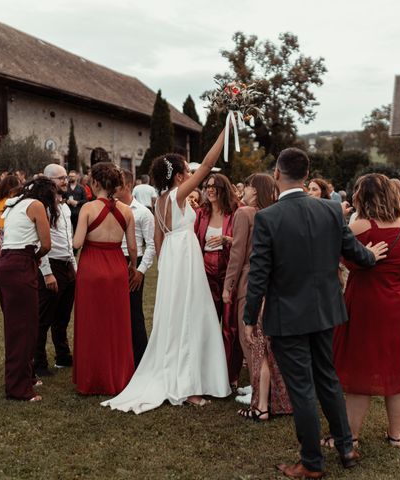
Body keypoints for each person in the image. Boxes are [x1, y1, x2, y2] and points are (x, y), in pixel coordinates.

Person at [244, 148, 389, 478]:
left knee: (302, 389)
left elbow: (259, 273)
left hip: (288, 316)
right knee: (327, 378)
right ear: (306, 176)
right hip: (325, 311)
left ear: (277, 175)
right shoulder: (330, 210)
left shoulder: (268, 218)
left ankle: (311, 463)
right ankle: (346, 447)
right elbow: (353, 252)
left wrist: (250, 317)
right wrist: (371, 257)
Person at [101, 129, 230, 414]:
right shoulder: (177, 195)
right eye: (187, 169)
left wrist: (169, 268)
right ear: (180, 176)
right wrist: (225, 131)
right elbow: (208, 164)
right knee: (190, 315)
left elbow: (158, 242)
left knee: (176, 314)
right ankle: (187, 386)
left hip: (173, 257)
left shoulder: (159, 202)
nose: (190, 171)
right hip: (184, 255)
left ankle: (185, 376)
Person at [332, 173, 400, 448]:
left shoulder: (360, 228)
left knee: (359, 373)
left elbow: (336, 255)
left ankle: (351, 437)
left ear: (362, 197)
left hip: (368, 304)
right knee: (399, 376)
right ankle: (395, 437)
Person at [222, 173, 290, 419]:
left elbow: (238, 254)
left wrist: (228, 285)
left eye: (248, 186)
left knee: (248, 338)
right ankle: (269, 393)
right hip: (275, 283)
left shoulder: (244, 213)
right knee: (267, 340)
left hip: (250, 280)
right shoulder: (275, 214)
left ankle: (257, 393)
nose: (245, 190)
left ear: (256, 190)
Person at [72, 163, 137, 395]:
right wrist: (133, 267)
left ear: (96, 183)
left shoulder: (88, 208)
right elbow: (132, 247)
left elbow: (77, 243)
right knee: (117, 324)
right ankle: (118, 376)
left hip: (92, 266)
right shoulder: (127, 211)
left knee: (92, 323)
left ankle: (92, 379)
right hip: (117, 266)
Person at [0, 178, 55, 401]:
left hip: (4, 263)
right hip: (20, 263)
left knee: (20, 325)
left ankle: (25, 377)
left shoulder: (15, 204)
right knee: (22, 328)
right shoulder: (37, 205)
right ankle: (18, 388)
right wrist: (36, 258)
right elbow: (46, 244)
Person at [194, 173, 241, 388]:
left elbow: (244, 241)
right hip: (205, 270)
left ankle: (230, 375)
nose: (210, 189)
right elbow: (194, 242)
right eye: (207, 185)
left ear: (224, 189)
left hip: (229, 270)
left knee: (230, 327)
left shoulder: (235, 213)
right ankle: (208, 372)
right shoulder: (201, 213)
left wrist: (227, 240)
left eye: (215, 186)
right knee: (208, 323)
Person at [34, 164, 77, 377]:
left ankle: (63, 356)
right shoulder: (42, 207)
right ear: (48, 180)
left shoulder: (65, 207)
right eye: (60, 178)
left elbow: (68, 241)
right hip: (52, 265)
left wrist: (74, 267)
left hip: (68, 265)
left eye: (66, 178)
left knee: (63, 317)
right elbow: (38, 241)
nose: (65, 182)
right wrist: (47, 272)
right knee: (44, 317)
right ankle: (38, 363)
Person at [116, 169, 155, 368]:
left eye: (118, 184)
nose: (114, 187)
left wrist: (140, 270)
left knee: (134, 312)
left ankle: (140, 359)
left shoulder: (142, 212)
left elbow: (152, 245)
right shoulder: (109, 208)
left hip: (134, 262)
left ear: (128, 186)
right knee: (113, 312)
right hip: (112, 260)